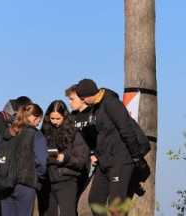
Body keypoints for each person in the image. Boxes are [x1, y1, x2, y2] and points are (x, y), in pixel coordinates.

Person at [69, 79, 142, 216]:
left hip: (120, 160)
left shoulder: (111, 103)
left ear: (90, 95)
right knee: (95, 201)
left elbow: (126, 129)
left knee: (116, 207)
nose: (84, 102)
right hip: (104, 160)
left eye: (84, 99)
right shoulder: (95, 107)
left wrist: (136, 156)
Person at [0, 103, 47, 216]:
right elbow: (42, 162)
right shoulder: (36, 135)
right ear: (34, 117)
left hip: (4, 182)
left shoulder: (7, 132)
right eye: (39, 121)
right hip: (26, 184)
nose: (38, 124)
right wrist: (39, 177)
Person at [40, 100, 89, 216]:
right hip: (46, 181)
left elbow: (82, 159)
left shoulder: (74, 134)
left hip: (67, 180)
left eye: (58, 119)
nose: (55, 122)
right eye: (52, 118)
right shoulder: (42, 133)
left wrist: (65, 158)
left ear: (64, 117)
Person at [0, 96, 32, 216]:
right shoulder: (1, 118)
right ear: (22, 109)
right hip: (0, 174)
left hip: (15, 178)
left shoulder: (24, 125)